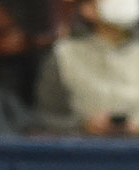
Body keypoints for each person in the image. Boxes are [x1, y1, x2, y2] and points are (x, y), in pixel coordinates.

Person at [33, 0, 139, 135]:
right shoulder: (64, 54)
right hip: (83, 150)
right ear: (87, 8)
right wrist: (82, 126)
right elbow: (45, 117)